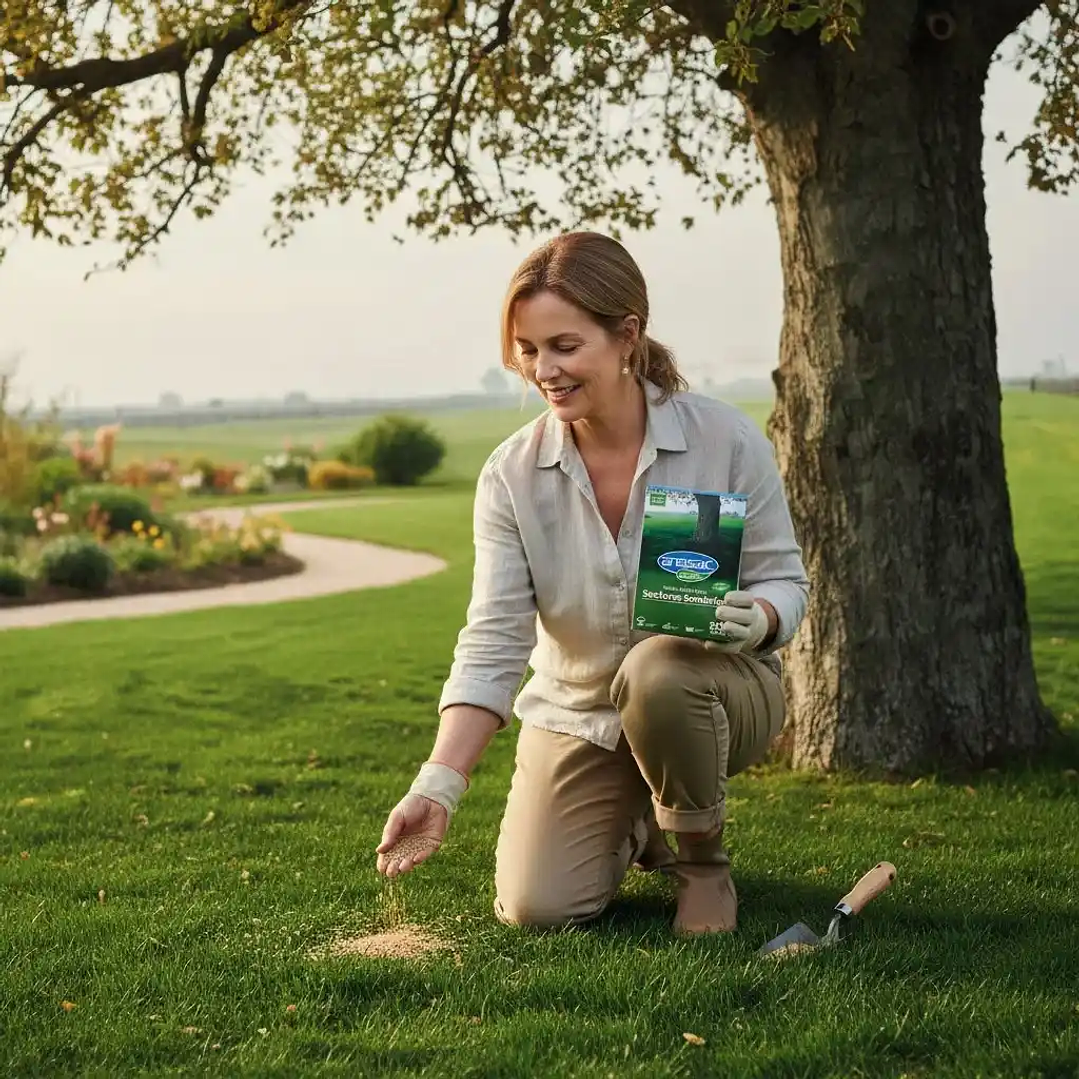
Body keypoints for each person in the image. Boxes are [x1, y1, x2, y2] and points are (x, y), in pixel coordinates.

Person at [376, 230, 809, 935]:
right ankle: (640, 820)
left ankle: (701, 865)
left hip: (718, 695)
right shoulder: (511, 475)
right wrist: (439, 784)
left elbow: (785, 579)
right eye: (527, 349)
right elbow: (493, 638)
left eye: (563, 346)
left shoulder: (723, 441)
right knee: (535, 907)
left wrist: (759, 617)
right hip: (579, 714)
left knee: (658, 670)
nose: (542, 369)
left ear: (626, 335)